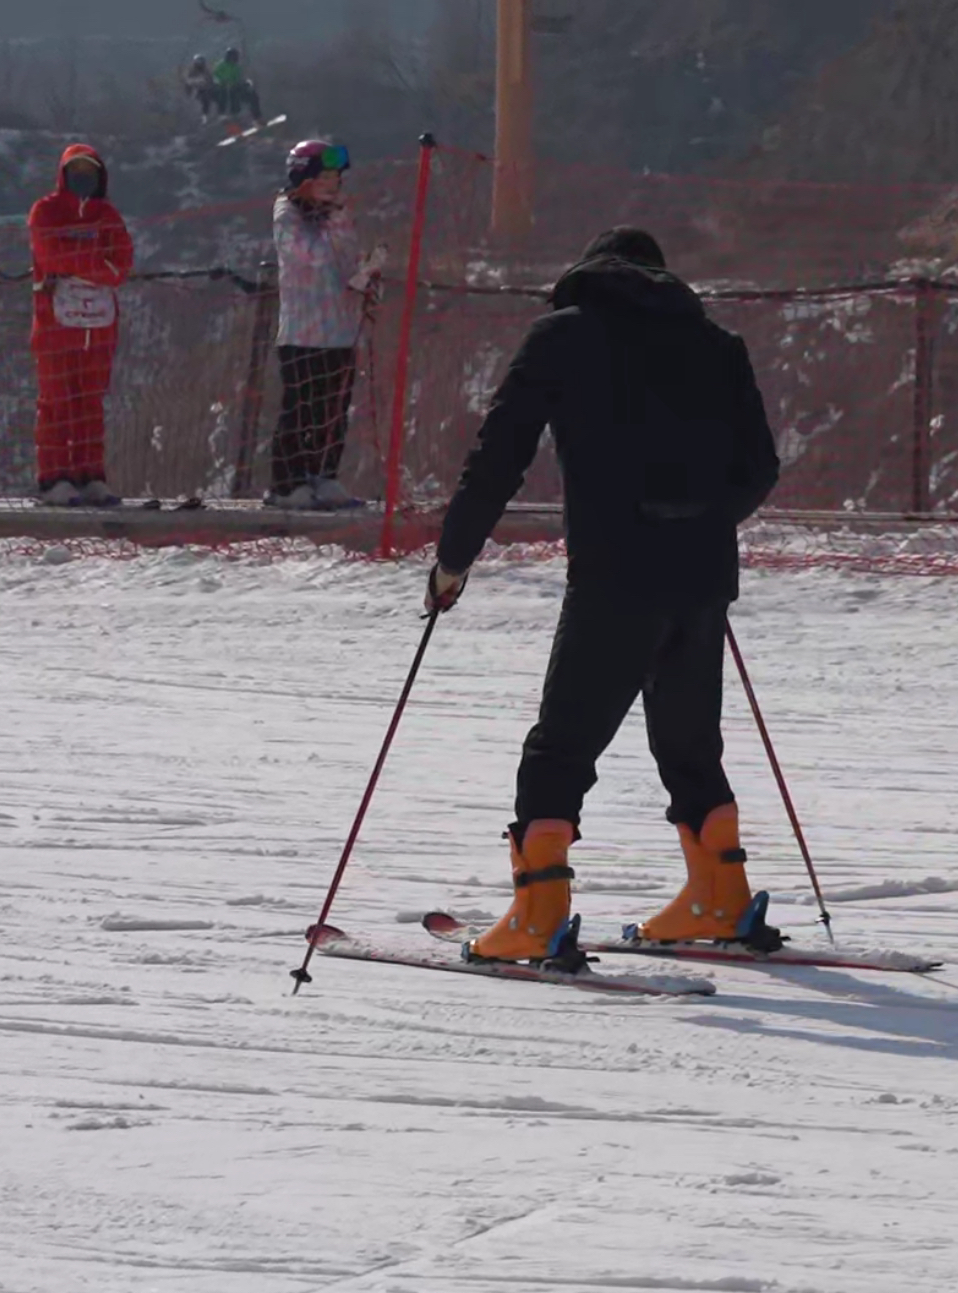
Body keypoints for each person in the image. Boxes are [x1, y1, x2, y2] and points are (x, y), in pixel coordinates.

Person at [425, 227, 783, 966]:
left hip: (615, 570)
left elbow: (499, 453)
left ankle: (538, 914)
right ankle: (719, 896)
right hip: (701, 575)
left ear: (588, 273)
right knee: (690, 743)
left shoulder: (564, 335)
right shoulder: (717, 344)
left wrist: (454, 558)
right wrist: (701, 519)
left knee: (561, 745)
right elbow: (759, 469)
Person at [267, 140, 383, 511]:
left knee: (332, 410)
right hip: (303, 333)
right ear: (303, 181)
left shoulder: (338, 213)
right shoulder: (287, 214)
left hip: (341, 330)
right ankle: (286, 484)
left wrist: (365, 276)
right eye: (323, 179)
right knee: (299, 408)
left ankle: (324, 473)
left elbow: (346, 258)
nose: (332, 186)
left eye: (335, 178)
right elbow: (310, 256)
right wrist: (332, 220)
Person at [27, 144, 133, 508]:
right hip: (55, 326)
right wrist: (96, 262)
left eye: (89, 171)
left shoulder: (108, 214)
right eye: (76, 170)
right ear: (63, 174)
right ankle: (54, 479)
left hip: (99, 328)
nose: (82, 177)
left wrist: (75, 262)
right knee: (56, 402)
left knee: (90, 405)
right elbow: (50, 254)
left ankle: (90, 477)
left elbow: (120, 266)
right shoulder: (45, 211)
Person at [214, 47, 262, 125]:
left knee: (253, 96)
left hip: (235, 87)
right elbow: (215, 76)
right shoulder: (221, 65)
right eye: (233, 57)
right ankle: (231, 116)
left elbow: (238, 79)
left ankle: (257, 118)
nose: (234, 59)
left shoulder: (236, 67)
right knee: (230, 97)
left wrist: (246, 83)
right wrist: (223, 82)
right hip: (224, 88)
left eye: (235, 57)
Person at [183, 56, 221, 122]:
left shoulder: (206, 70)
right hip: (198, 91)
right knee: (205, 100)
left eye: (201, 63)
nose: (200, 65)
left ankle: (220, 113)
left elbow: (211, 79)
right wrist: (197, 82)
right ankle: (204, 116)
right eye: (199, 63)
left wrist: (214, 84)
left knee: (218, 97)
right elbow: (188, 82)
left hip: (208, 89)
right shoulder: (191, 71)